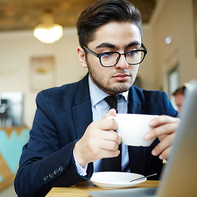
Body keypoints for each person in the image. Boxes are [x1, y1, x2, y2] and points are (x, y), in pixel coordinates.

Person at [14, 0, 180, 196]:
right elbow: (25, 185)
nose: (124, 64)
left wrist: (187, 154)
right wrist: (79, 154)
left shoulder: (158, 103)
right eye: (108, 53)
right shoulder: (52, 103)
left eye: (132, 51)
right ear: (83, 57)